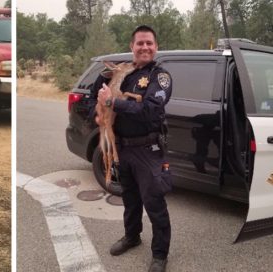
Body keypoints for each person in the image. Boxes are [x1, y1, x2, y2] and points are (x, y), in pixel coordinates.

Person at [97, 25, 173, 272]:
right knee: (130, 199)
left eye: (149, 43)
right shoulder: (125, 74)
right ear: (132, 47)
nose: (145, 47)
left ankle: (160, 255)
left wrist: (112, 101)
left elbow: (149, 110)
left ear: (156, 47)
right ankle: (132, 236)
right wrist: (98, 113)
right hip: (123, 148)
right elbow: (96, 100)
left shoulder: (160, 77)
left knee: (154, 203)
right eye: (140, 43)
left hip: (148, 150)